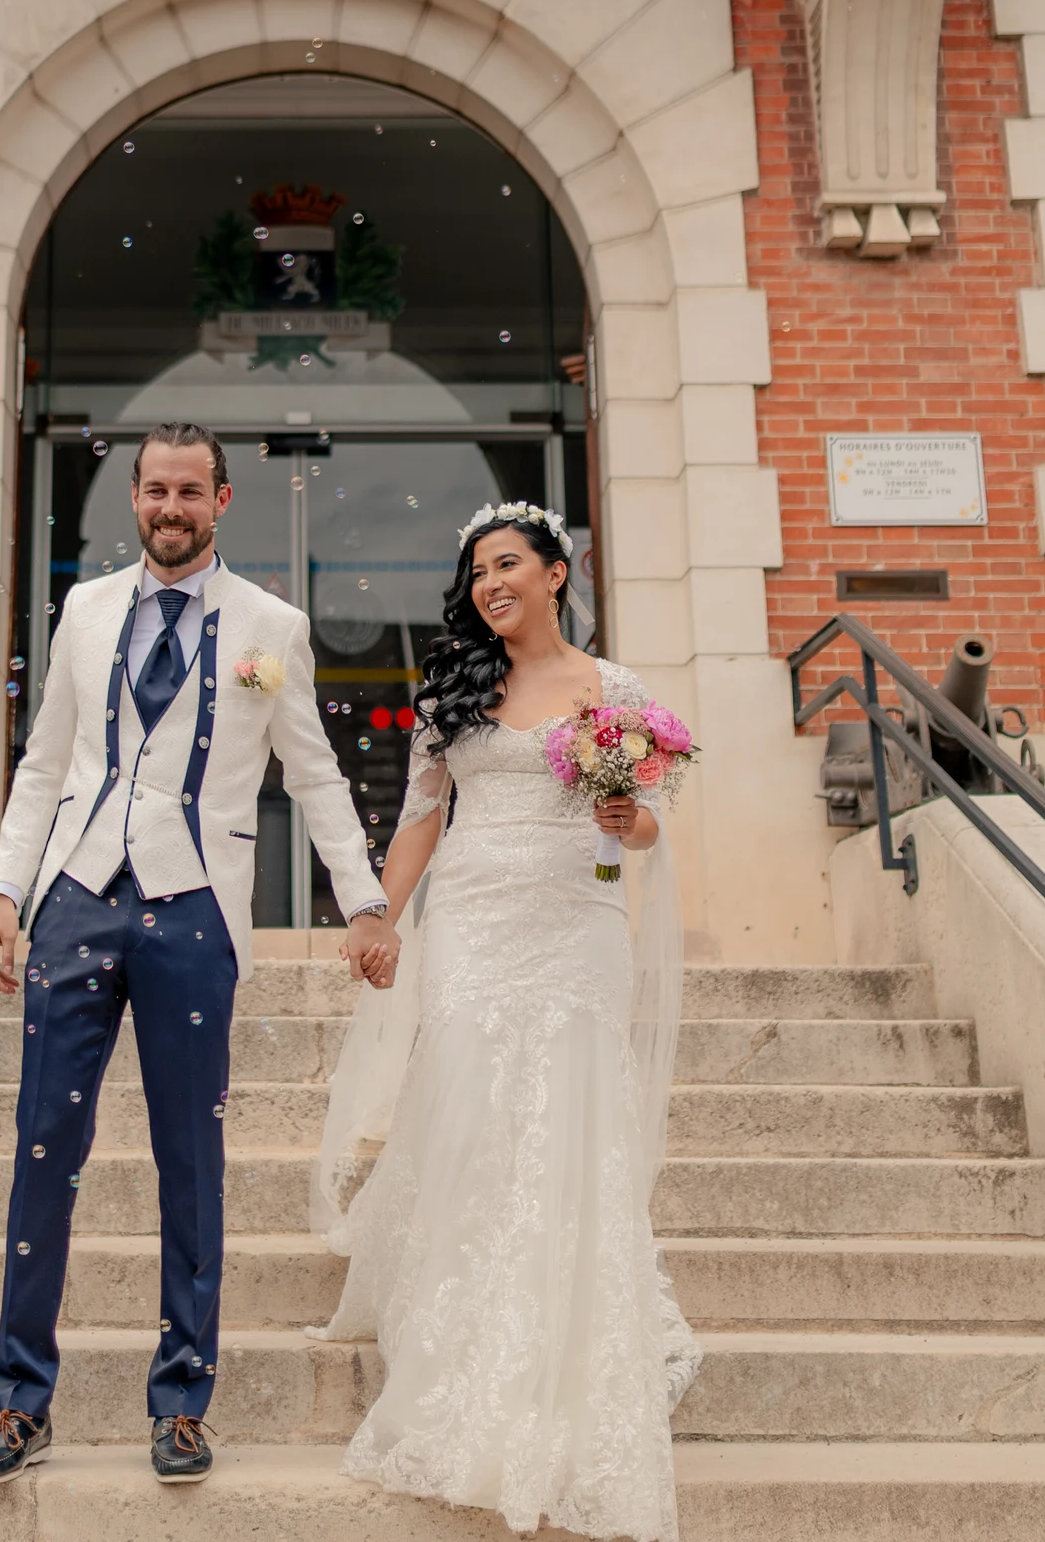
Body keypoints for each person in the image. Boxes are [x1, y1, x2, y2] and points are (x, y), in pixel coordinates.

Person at [0, 419, 398, 1486]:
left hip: (196, 907)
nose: (168, 507)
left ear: (220, 503)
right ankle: (22, 1403)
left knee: (190, 1162)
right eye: (154, 490)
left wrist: (364, 902)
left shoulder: (270, 627)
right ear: (136, 499)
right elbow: (42, 761)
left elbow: (316, 776)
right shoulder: (84, 608)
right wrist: (4, 888)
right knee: (41, 1151)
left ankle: (183, 1400)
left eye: (188, 492)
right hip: (74, 898)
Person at [312, 500, 699, 1541]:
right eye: (477, 571)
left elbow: (641, 830)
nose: (490, 584)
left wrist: (628, 820)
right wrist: (380, 917)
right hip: (475, 926)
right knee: (478, 1125)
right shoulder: (453, 685)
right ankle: (465, 1330)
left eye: (508, 565)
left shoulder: (612, 693)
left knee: (568, 1128)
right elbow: (423, 816)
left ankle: (569, 1330)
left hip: (575, 930)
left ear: (554, 573)